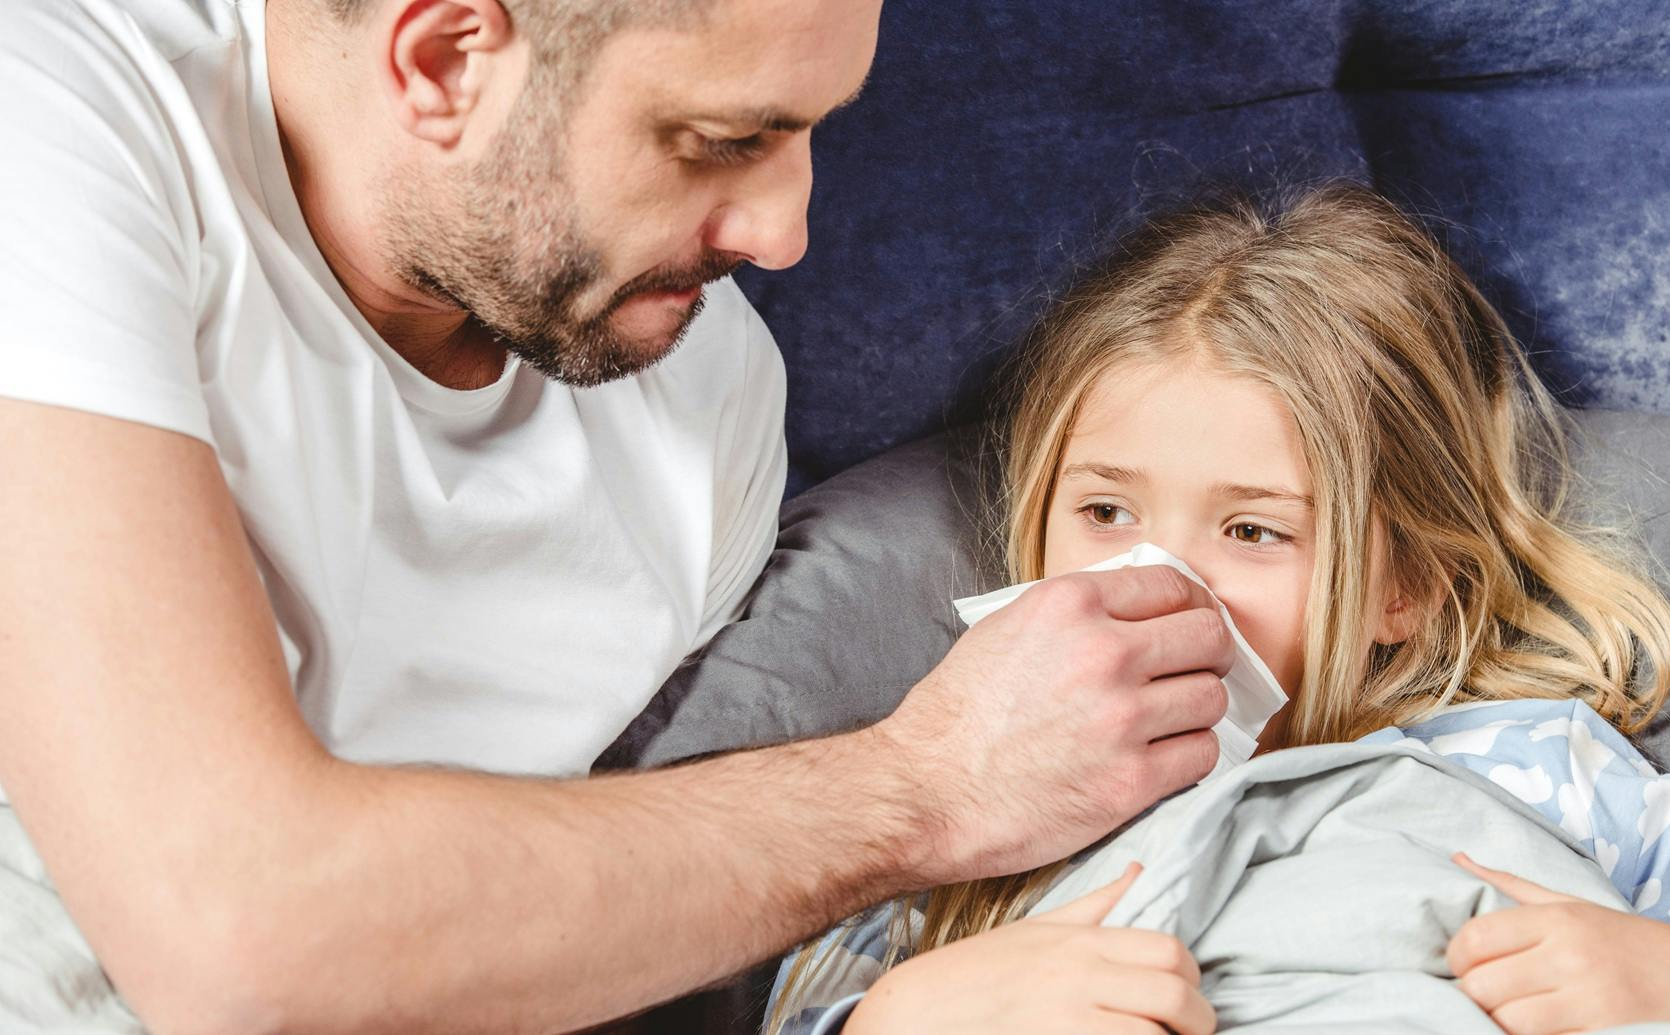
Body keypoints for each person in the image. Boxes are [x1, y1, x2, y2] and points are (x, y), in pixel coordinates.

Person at [0, 0, 1242, 1031]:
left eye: (811, 130)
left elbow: (552, 939)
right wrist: (927, 786)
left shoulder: (705, 390)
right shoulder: (58, 114)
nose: (785, 233)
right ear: (444, 62)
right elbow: (239, 934)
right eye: (721, 141)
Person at [765, 184, 1670, 1035]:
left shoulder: (1548, 767)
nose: (1154, 575)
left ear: (1402, 589)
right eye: (1104, 511)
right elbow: (811, 998)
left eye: (1251, 530)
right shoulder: (973, 786)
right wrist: (908, 1014)